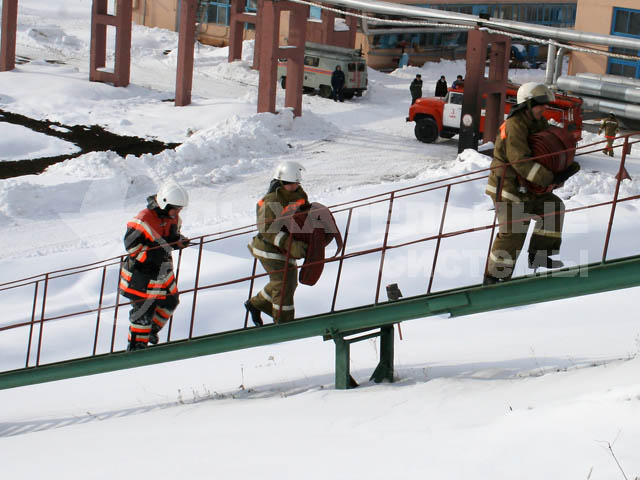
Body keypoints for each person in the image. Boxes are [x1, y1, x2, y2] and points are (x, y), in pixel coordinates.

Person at [483, 82, 580, 285]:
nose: (544, 109)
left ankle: (539, 255)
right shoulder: (514, 125)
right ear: (527, 105)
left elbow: (549, 148)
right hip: (508, 188)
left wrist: (563, 169)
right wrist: (550, 179)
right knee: (514, 231)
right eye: (540, 105)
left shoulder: (538, 123)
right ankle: (495, 278)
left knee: (553, 208)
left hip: (527, 187)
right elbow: (522, 162)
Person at [119, 181, 191, 350]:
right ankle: (136, 346)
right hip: (141, 274)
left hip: (161, 272)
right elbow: (131, 247)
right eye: (176, 208)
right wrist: (153, 254)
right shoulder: (143, 219)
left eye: (180, 208)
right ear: (165, 203)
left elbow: (169, 238)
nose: (178, 212)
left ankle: (150, 330)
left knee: (170, 301)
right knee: (143, 311)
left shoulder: (173, 218)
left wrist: (178, 241)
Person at [245, 161, 309, 326]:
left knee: (290, 280)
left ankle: (256, 303)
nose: (294, 186)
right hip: (268, 246)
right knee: (283, 281)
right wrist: (292, 245)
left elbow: (304, 215)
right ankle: (283, 322)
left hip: (285, 247)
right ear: (281, 182)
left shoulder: (299, 195)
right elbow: (269, 230)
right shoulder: (272, 200)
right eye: (290, 184)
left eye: (296, 183)